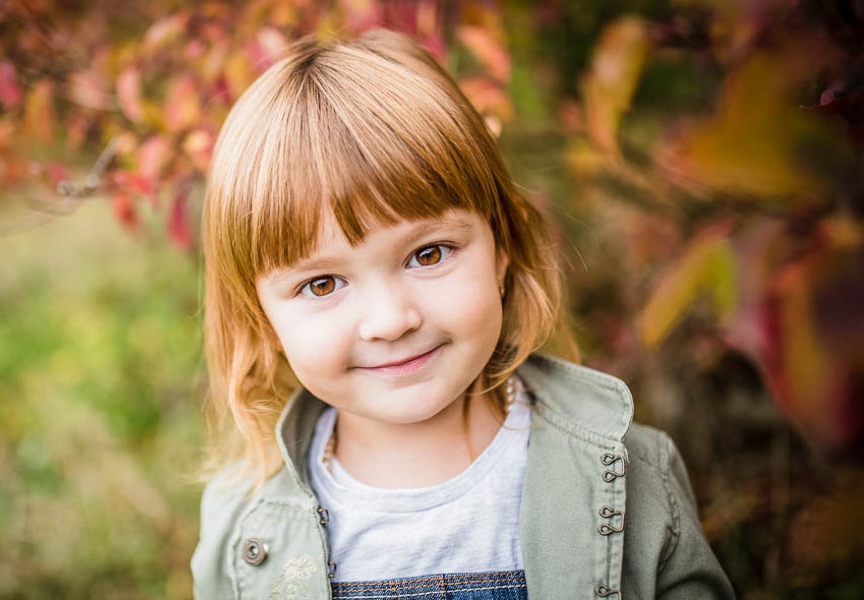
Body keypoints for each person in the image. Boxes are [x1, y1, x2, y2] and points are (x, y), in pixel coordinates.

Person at [191, 28, 734, 600]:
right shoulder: (243, 523)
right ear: (262, 320)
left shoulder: (627, 477)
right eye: (322, 283)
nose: (391, 320)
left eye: (428, 254)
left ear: (503, 247)